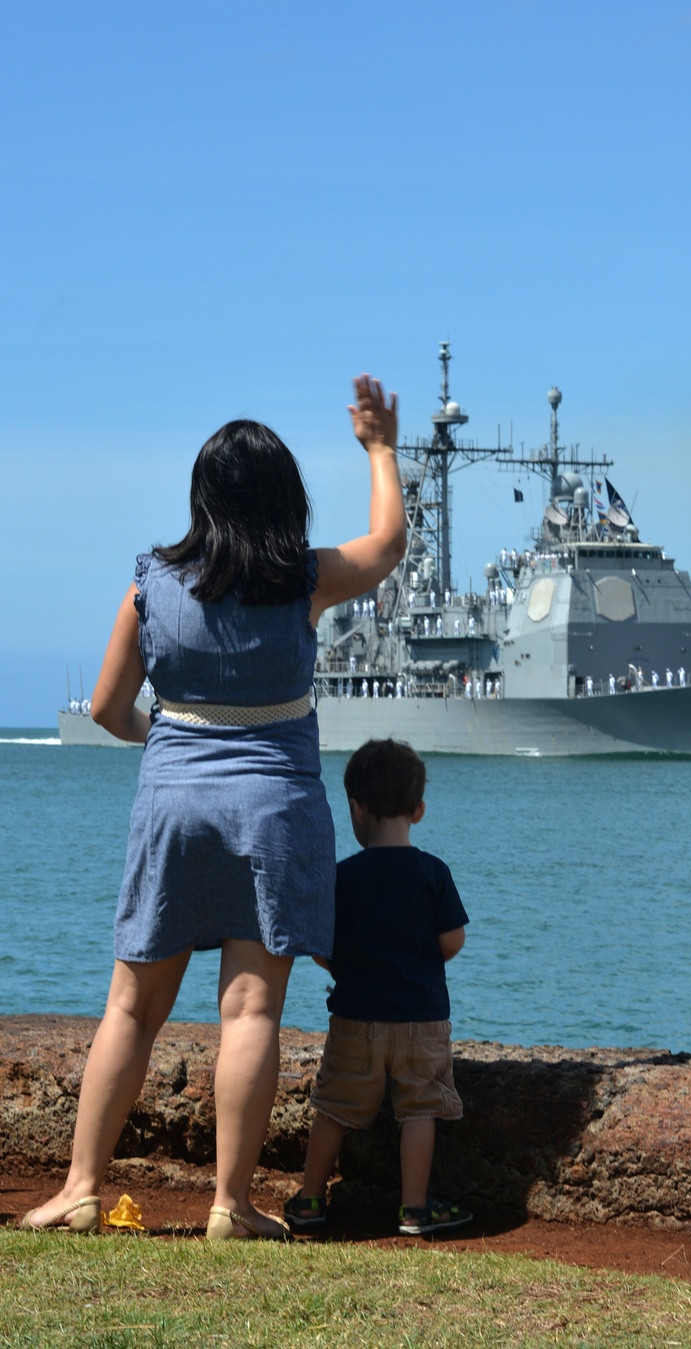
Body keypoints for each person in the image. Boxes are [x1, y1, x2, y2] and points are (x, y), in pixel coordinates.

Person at [21, 377, 406, 1240]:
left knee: (131, 1007)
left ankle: (81, 1186)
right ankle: (230, 1205)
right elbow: (384, 546)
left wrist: (170, 735)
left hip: (175, 802)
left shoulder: (150, 586)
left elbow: (111, 708)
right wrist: (379, 446)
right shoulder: (305, 580)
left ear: (201, 496)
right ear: (285, 499)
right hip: (275, 805)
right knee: (250, 1010)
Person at [284, 738, 471, 1238]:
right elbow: (452, 939)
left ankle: (308, 1199)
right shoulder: (434, 873)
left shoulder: (342, 878)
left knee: (334, 1108)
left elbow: (319, 947)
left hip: (355, 1020)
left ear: (356, 809)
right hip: (421, 1021)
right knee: (420, 1109)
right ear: (419, 810)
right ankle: (413, 1210)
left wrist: (346, 966)